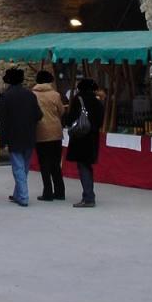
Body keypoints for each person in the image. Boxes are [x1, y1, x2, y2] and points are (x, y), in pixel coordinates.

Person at [0, 68, 42, 207]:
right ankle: (18, 193)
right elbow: (38, 115)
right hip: (29, 135)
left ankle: (23, 196)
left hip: (14, 136)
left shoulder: (6, 97)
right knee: (24, 167)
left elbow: (2, 121)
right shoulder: (30, 95)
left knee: (18, 167)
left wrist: (2, 140)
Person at [64, 78, 104, 208]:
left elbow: (70, 119)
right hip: (92, 138)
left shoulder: (78, 100)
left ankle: (88, 197)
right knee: (88, 166)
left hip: (80, 138)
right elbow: (100, 122)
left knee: (83, 167)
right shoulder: (98, 102)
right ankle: (89, 194)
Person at [32, 70, 66, 201]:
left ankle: (47, 192)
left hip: (39, 132)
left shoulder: (33, 95)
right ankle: (60, 191)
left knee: (44, 164)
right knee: (56, 163)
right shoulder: (55, 95)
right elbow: (61, 111)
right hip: (55, 132)